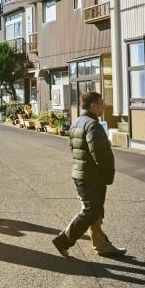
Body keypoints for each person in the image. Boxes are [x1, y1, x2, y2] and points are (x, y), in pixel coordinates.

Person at [52, 92, 127, 258]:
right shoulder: (93, 125)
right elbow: (100, 155)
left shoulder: (77, 122)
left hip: (81, 173)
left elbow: (74, 148)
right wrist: (108, 174)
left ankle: (102, 245)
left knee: (95, 212)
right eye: (101, 102)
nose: (103, 106)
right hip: (92, 177)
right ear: (93, 105)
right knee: (91, 212)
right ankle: (63, 240)